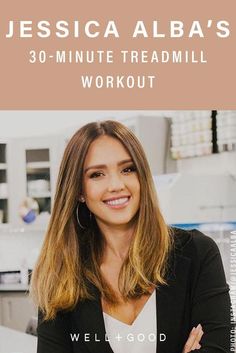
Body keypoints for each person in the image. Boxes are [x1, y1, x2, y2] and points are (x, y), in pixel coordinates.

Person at [30, 120, 231, 353]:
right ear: (79, 191)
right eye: (97, 174)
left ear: (142, 176)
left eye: (127, 169)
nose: (116, 184)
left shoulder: (197, 253)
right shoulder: (61, 275)